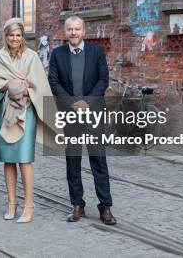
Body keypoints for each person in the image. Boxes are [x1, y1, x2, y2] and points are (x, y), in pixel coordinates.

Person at [48, 15, 116, 225]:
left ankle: (105, 207)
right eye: (70, 29)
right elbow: (54, 81)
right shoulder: (58, 54)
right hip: (70, 115)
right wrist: (72, 104)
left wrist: (86, 102)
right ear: (65, 32)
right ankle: (77, 204)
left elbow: (103, 79)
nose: (74, 33)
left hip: (93, 112)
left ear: (84, 31)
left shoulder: (96, 52)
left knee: (98, 160)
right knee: (73, 160)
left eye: (77, 29)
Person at [0, 18, 52, 223]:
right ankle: (11, 203)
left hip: (26, 111)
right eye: (11, 35)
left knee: (24, 158)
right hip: (5, 112)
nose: (15, 38)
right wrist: (9, 84)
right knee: (8, 159)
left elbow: (40, 83)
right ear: (6, 36)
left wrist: (26, 84)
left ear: (23, 37)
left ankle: (28, 205)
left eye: (18, 35)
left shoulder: (31, 57)